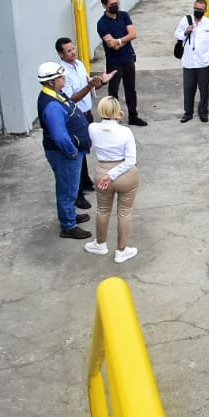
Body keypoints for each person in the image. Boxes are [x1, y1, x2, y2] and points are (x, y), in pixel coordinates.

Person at [56, 37, 114, 209]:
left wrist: (100, 81)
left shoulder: (79, 64)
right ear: (60, 54)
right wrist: (90, 87)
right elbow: (71, 98)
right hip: (75, 117)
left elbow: (88, 83)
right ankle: (78, 194)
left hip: (87, 113)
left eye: (73, 48)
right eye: (68, 51)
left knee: (85, 149)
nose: (73, 52)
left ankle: (86, 181)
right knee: (77, 153)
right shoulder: (62, 73)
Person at [36, 62, 92, 239]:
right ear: (51, 82)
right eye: (60, 77)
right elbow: (59, 136)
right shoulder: (52, 105)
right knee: (67, 188)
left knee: (70, 187)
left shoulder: (56, 94)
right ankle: (68, 225)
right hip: (64, 154)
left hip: (68, 152)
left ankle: (69, 215)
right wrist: (72, 151)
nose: (64, 78)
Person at [84, 97, 140, 264]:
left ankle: (100, 244)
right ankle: (121, 250)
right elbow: (131, 160)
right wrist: (114, 174)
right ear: (118, 113)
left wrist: (108, 175)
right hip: (126, 175)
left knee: (102, 210)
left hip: (102, 172)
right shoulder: (125, 132)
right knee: (125, 213)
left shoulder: (92, 128)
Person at [96, 0, 147, 126]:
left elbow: (133, 34)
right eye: (112, 4)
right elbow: (112, 46)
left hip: (128, 58)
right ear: (104, 6)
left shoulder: (124, 15)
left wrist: (118, 40)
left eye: (116, 3)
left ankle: (133, 116)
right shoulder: (102, 24)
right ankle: (113, 118)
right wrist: (124, 39)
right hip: (114, 62)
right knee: (113, 92)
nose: (115, 6)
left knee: (131, 89)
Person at [175, 0, 209, 123]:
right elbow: (176, 34)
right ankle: (188, 112)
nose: (198, 11)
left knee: (204, 88)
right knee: (188, 88)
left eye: (200, 9)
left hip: (203, 60)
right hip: (189, 61)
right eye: (196, 9)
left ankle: (203, 112)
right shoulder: (186, 20)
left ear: (205, 10)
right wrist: (185, 32)